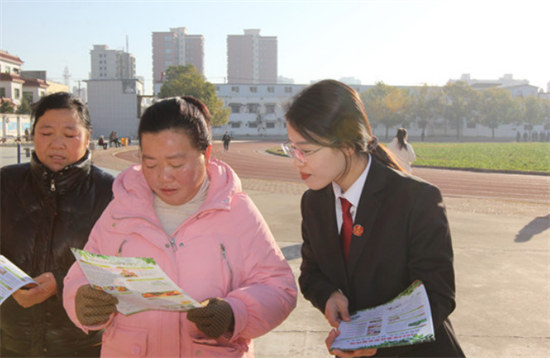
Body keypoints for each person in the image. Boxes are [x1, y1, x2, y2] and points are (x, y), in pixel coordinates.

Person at [63, 96, 297, 357]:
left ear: (206, 154)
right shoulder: (121, 209)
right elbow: (82, 274)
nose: (163, 177)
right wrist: (81, 301)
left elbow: (279, 287)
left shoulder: (237, 212)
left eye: (176, 164)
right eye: (150, 164)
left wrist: (235, 313)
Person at [282, 80, 464, 357]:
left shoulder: (415, 199)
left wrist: (378, 340)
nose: (296, 161)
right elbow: (311, 273)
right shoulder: (314, 202)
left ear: (345, 145)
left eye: (305, 150)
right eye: (291, 148)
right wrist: (328, 295)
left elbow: (437, 297)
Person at [0, 92, 115, 357]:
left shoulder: (111, 192)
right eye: (47, 132)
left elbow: (123, 267)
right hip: (11, 343)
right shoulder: (5, 183)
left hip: (83, 346)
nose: (57, 144)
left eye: (70, 134)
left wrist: (62, 283)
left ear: (88, 138)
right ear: (32, 135)